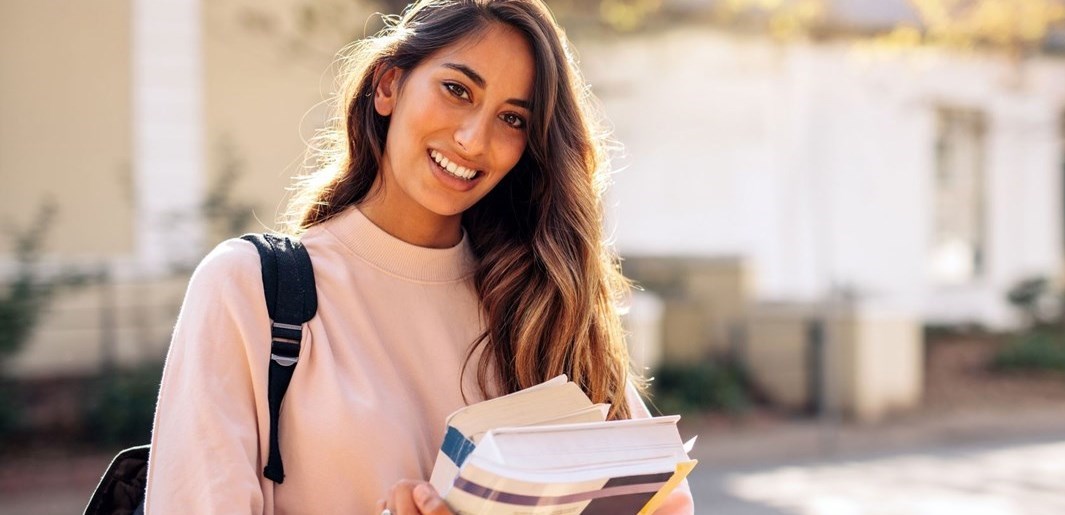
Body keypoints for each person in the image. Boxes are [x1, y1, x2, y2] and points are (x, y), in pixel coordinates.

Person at [143, 0, 694, 513]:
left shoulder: (544, 304)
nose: (474, 140)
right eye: (457, 89)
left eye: (513, 119)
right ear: (389, 86)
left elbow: (664, 502)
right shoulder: (251, 290)